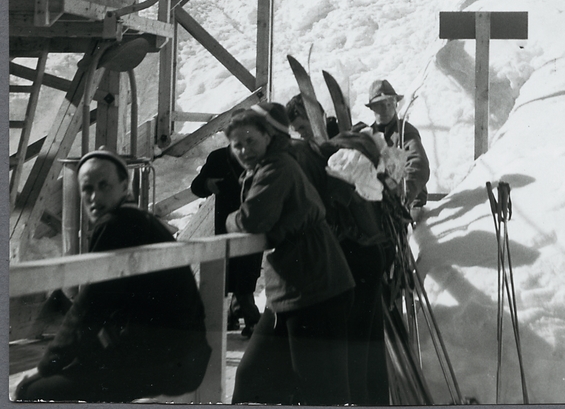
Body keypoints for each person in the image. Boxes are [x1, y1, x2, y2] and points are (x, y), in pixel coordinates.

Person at [17, 149, 210, 403]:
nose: (95, 196)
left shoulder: (116, 223)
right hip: (183, 358)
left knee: (33, 392)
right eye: (87, 188)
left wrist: (47, 365)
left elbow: (89, 308)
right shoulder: (142, 221)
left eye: (104, 185)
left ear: (124, 186)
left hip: (165, 363)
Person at [226, 102, 355, 406]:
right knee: (252, 379)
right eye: (237, 145)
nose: (244, 150)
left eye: (251, 141)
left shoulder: (277, 167)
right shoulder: (265, 168)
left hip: (314, 287)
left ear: (268, 138)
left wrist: (231, 219)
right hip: (288, 290)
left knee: (318, 392)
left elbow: (253, 219)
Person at [286, 96, 391, 405]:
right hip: (365, 255)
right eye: (296, 129)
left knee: (355, 346)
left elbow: (346, 198)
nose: (301, 134)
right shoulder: (342, 146)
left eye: (303, 126)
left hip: (355, 256)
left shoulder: (339, 152)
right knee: (367, 342)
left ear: (316, 117)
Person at [191, 143, 262, 335]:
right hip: (226, 228)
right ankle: (238, 315)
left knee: (246, 276)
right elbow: (196, 186)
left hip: (252, 227)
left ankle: (248, 317)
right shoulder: (218, 157)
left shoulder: (262, 158)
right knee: (229, 275)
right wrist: (208, 184)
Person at [366, 79, 431, 213]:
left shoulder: (406, 132)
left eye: (390, 103)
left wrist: (405, 194)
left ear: (396, 105)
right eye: (380, 104)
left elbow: (418, 164)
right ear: (372, 107)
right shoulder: (367, 135)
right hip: (379, 205)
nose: (386, 108)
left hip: (409, 205)